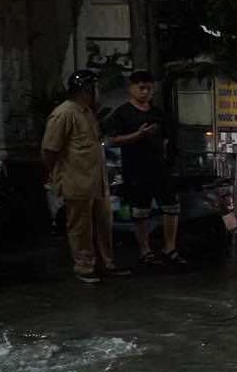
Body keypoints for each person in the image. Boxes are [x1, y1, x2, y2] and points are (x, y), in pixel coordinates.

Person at [43, 69, 130, 284]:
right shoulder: (64, 113)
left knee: (103, 223)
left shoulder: (87, 112)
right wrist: (52, 175)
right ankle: (84, 266)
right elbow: (50, 149)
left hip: (96, 180)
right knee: (80, 226)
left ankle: (105, 263)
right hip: (76, 179)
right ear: (87, 89)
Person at [104, 70, 185, 268]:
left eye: (149, 88)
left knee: (172, 206)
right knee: (140, 211)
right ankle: (145, 250)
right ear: (131, 88)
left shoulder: (158, 113)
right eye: (141, 88)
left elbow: (168, 138)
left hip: (160, 167)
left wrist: (170, 158)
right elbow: (111, 140)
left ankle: (169, 248)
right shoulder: (122, 113)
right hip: (136, 168)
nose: (145, 92)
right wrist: (137, 135)